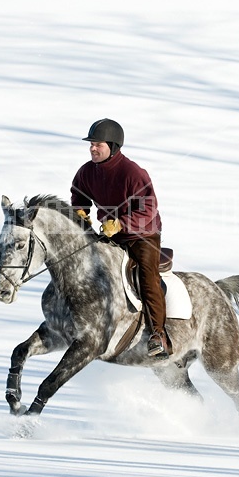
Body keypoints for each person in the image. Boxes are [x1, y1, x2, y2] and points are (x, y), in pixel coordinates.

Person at [70, 118, 170, 359]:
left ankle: (158, 335)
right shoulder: (86, 171)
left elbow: (148, 210)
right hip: (109, 233)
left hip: (142, 234)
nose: (93, 148)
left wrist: (122, 223)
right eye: (91, 144)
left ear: (113, 147)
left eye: (98, 144)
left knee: (147, 274)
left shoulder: (133, 173)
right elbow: (78, 195)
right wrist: (80, 214)